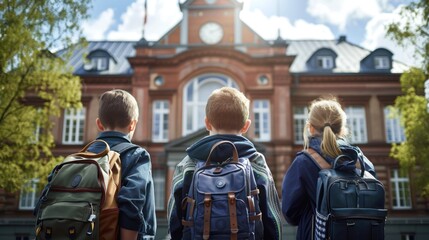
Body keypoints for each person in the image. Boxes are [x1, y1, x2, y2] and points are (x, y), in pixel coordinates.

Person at [167, 87, 284, 240]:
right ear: (246, 126)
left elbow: (174, 219)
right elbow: (273, 219)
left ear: (207, 123)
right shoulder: (256, 161)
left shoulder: (189, 163)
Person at [281, 97, 376, 240]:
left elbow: (290, 213)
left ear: (310, 128)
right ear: (342, 129)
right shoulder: (361, 161)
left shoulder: (303, 162)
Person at [88, 89, 156, 240]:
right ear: (132, 124)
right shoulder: (137, 156)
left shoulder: (75, 158)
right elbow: (132, 202)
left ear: (99, 124)